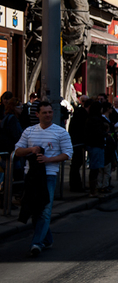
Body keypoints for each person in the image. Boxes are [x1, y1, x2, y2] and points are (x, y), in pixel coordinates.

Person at [14, 101, 73, 257]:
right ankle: (47, 239)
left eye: (50, 112)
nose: (48, 115)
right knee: (35, 209)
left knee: (45, 210)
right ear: (37, 114)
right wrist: (31, 149)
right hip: (32, 175)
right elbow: (18, 151)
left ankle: (36, 243)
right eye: (44, 112)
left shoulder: (60, 132)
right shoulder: (29, 131)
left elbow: (67, 154)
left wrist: (48, 160)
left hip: (49, 175)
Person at [85, 101, 109, 198]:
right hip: (96, 145)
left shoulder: (90, 118)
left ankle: (93, 190)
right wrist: (105, 133)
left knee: (95, 168)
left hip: (93, 145)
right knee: (95, 168)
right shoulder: (96, 120)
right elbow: (98, 132)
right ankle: (93, 191)